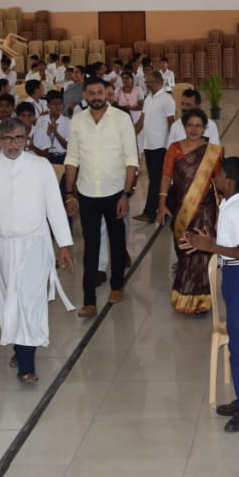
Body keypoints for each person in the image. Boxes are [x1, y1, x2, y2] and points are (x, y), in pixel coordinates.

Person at [0, 118, 75, 384]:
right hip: (1, 247)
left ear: (27, 139)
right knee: (8, 301)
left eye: (18, 138)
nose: (13, 144)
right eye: (7, 139)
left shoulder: (41, 167)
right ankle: (20, 346)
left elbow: (54, 207)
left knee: (29, 301)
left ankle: (26, 365)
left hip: (34, 245)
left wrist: (64, 245)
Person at [180, 157, 239, 433]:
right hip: (233, 274)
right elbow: (231, 243)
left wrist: (210, 246)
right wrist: (209, 241)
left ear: (230, 181)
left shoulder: (235, 210)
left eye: (220, 174)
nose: (215, 178)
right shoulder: (227, 204)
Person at [63, 76, 139, 317]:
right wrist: (69, 193)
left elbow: (131, 159)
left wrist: (126, 194)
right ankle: (89, 301)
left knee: (117, 242)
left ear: (107, 94)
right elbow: (72, 158)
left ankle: (117, 285)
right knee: (90, 247)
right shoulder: (78, 120)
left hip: (115, 192)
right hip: (87, 193)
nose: (96, 97)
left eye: (100, 92)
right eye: (91, 93)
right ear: (84, 95)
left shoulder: (121, 119)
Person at [157, 109, 222, 315]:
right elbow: (166, 177)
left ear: (205, 128)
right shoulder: (174, 149)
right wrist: (162, 203)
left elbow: (219, 180)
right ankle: (183, 295)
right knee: (185, 251)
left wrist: (225, 207)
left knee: (202, 252)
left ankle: (203, 298)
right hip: (182, 207)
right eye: (190, 125)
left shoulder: (213, 151)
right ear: (184, 127)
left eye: (198, 125)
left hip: (206, 208)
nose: (194, 129)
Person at [134, 72, 175, 224]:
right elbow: (141, 120)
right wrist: (130, 136)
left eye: (149, 82)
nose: (147, 84)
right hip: (149, 145)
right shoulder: (149, 98)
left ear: (158, 82)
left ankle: (150, 213)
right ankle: (165, 209)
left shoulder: (167, 99)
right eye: (146, 82)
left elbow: (171, 123)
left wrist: (172, 147)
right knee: (154, 179)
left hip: (161, 146)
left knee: (157, 180)